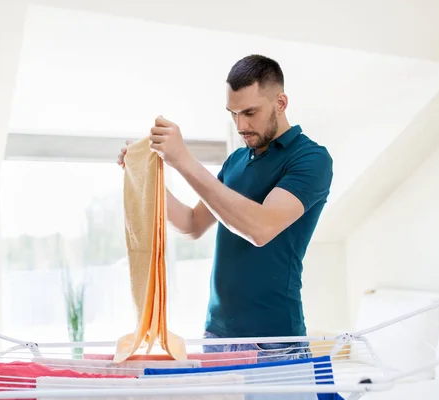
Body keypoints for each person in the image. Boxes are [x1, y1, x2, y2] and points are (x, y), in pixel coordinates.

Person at [117, 54, 333, 362]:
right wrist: (143, 178)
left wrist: (183, 160)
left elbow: (260, 228)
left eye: (250, 112)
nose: (241, 125)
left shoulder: (310, 159)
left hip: (275, 340)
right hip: (217, 336)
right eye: (233, 114)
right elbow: (191, 224)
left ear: (281, 103)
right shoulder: (236, 160)